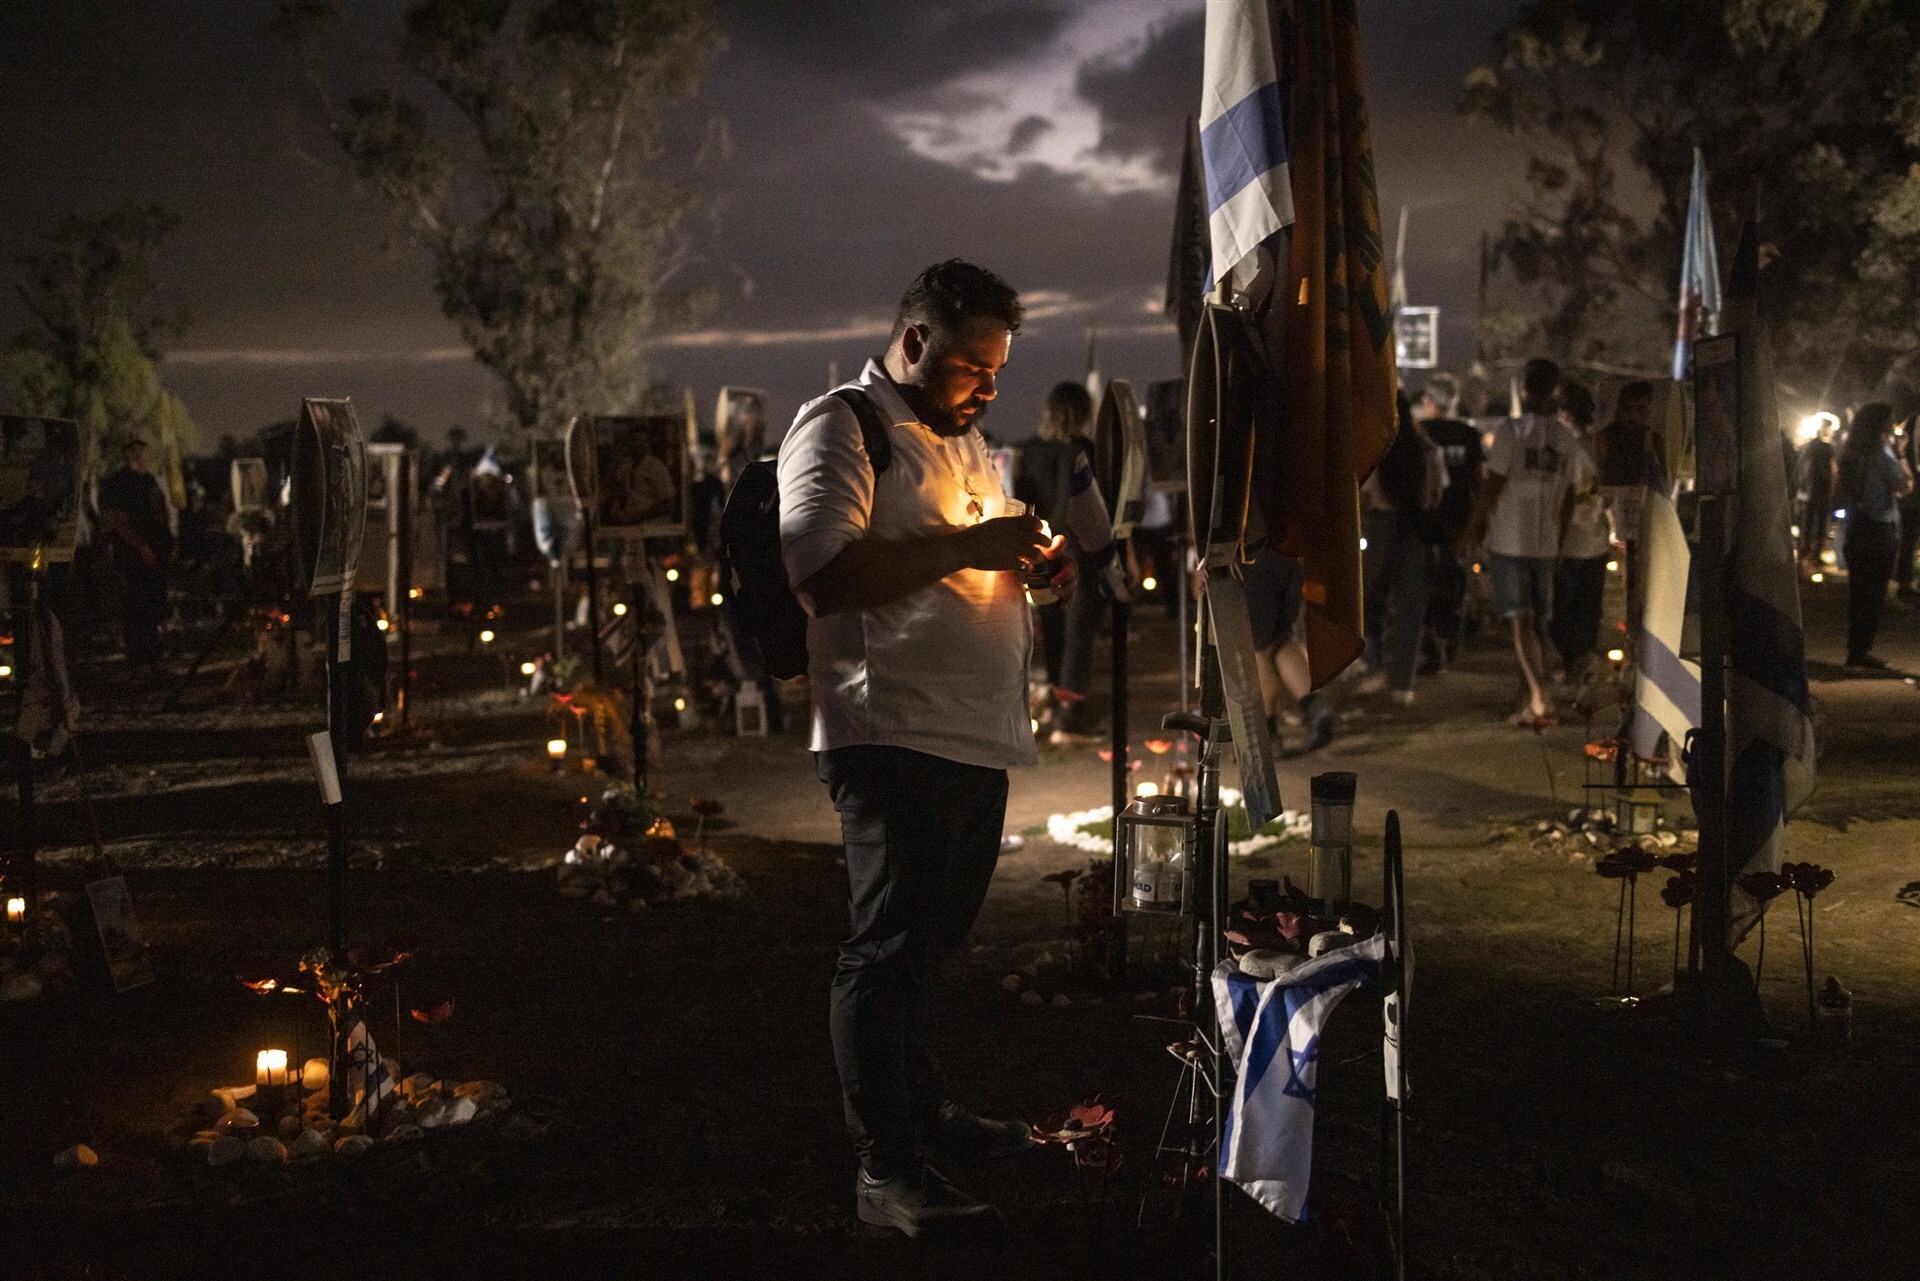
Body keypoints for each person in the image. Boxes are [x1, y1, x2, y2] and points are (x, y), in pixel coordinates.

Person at [777, 260, 1060, 1236]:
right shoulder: (841, 427)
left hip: (973, 736)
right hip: (887, 728)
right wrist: (972, 551)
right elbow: (821, 572)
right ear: (911, 344)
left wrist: (1033, 563)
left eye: (998, 369)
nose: (988, 386)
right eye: (972, 366)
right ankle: (885, 1169)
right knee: (888, 947)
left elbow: (972, 554)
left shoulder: (970, 444)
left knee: (932, 947)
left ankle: (925, 1108)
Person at [1470, 357, 1592, 728]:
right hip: (1546, 542)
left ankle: (1540, 696)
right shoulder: (1564, 437)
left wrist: (1472, 527)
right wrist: (1560, 532)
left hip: (1510, 539)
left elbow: (1493, 484)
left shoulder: (1512, 431)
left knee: (1518, 618)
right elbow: (1571, 494)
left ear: (1524, 388)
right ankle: (1526, 700)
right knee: (1537, 621)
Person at [1014, 381, 1104, 744]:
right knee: (1080, 632)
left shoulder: (1031, 452)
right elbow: (1096, 507)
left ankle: (1053, 704)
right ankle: (1070, 718)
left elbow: (1021, 497)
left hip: (1040, 548)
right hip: (1080, 548)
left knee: (1052, 627)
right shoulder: (1085, 451)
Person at [1357, 392, 1446, 704]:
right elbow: (1437, 494)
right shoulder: (1427, 449)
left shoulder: (1376, 449)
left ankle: (1372, 666)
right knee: (1411, 608)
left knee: (1367, 601)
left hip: (1381, 526)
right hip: (1417, 527)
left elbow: (1365, 496)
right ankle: (1403, 683)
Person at [1834, 402, 1912, 669]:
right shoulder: (1881, 453)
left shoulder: (1852, 452)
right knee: (1874, 592)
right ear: (1880, 424)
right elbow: (1903, 486)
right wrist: (1901, 454)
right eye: (1890, 420)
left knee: (1859, 593)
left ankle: (1855, 650)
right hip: (1879, 528)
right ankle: (1861, 651)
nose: (1894, 424)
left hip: (1857, 526)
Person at [1414, 371, 1483, 673]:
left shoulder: (1417, 432)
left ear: (1427, 401)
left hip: (1423, 521)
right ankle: (1449, 634)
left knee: (1422, 583)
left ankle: (1431, 643)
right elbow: (1479, 482)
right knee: (1453, 581)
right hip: (1460, 518)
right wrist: (1477, 522)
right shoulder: (1469, 435)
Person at [1547, 381, 1609, 686]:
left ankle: (1579, 660)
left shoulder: (1562, 445)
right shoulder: (1598, 444)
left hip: (1569, 542)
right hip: (1596, 540)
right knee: (1588, 611)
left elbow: (1564, 496)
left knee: (1556, 612)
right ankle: (1581, 666)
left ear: (1563, 413)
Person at [97, 437, 174, 676]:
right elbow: (117, 520)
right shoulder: (117, 483)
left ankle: (154, 659)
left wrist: (169, 541)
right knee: (135, 607)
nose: (145, 457)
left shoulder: (149, 480)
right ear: (129, 454)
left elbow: (159, 513)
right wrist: (140, 546)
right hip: (132, 556)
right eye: (140, 452)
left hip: (156, 552)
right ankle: (138, 662)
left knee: (154, 606)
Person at [1798, 419, 1838, 569]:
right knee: (1820, 524)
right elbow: (1833, 470)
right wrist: (1833, 488)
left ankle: (1803, 554)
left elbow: (1802, 468)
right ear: (1825, 429)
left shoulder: (1808, 446)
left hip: (1806, 492)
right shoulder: (1826, 447)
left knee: (1806, 523)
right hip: (1821, 491)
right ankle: (1815, 555)